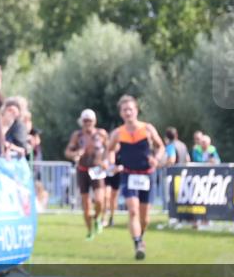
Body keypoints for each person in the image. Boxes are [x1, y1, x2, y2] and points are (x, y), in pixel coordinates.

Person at [105, 95, 164, 260]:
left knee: (145, 218)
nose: (128, 112)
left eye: (130, 109)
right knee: (132, 211)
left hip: (146, 175)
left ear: (136, 111)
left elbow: (161, 146)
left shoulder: (147, 129)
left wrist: (156, 159)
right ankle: (137, 244)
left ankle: (140, 236)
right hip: (128, 174)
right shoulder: (118, 133)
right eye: (125, 110)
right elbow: (109, 150)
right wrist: (112, 163)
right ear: (121, 113)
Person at [64, 109, 109, 239]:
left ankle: (97, 218)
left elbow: (110, 148)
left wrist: (106, 161)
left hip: (97, 170)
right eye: (85, 121)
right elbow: (68, 152)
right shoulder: (77, 135)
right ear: (81, 122)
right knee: (86, 203)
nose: (88, 123)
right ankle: (90, 231)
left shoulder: (101, 133)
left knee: (100, 200)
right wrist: (75, 154)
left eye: (90, 120)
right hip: (83, 170)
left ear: (94, 121)